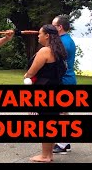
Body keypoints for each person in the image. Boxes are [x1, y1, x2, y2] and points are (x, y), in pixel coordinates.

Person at [25, 24, 67, 163]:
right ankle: (49, 155)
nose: (38, 36)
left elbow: (31, 72)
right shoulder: (59, 51)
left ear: (47, 35)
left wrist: (27, 76)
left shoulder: (45, 51)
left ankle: (45, 156)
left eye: (40, 34)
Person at [51, 15, 77, 154]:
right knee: (63, 112)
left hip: (64, 81)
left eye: (53, 25)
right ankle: (64, 142)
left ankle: (62, 144)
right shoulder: (65, 40)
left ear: (59, 27)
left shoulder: (63, 43)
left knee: (61, 113)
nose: (50, 28)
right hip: (67, 80)